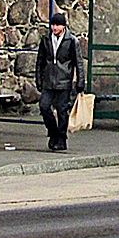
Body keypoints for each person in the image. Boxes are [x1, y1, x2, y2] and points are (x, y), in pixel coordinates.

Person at [35, 12, 84, 152]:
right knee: (44, 106)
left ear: (63, 26)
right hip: (48, 80)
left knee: (62, 110)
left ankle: (61, 138)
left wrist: (80, 81)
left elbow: (78, 62)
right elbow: (40, 61)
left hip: (64, 80)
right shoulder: (46, 40)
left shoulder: (71, 41)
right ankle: (53, 132)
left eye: (57, 25)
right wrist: (39, 79)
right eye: (53, 25)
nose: (54, 28)